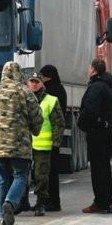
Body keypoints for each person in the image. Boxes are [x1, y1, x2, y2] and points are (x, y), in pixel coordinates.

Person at [0, 61, 43, 225]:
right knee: (20, 176)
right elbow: (37, 117)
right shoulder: (25, 92)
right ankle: (11, 203)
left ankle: (3, 218)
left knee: (2, 179)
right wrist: (35, 130)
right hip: (20, 144)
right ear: (19, 74)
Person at [77, 58, 112, 214]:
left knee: (97, 168)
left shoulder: (96, 87)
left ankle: (100, 202)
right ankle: (108, 200)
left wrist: (82, 124)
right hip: (107, 130)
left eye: (89, 67)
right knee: (105, 167)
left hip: (97, 131)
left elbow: (90, 110)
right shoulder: (109, 86)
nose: (88, 70)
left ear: (93, 70)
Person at [26, 72, 65, 216]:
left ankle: (41, 203)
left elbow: (58, 123)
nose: (34, 84)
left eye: (37, 81)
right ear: (27, 83)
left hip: (43, 146)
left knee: (41, 176)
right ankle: (23, 202)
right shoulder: (22, 99)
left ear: (42, 83)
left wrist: (56, 143)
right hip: (24, 145)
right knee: (23, 175)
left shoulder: (51, 100)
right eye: (32, 81)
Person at [39, 64, 67, 211]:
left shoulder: (50, 91)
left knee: (49, 172)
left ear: (48, 76)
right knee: (50, 172)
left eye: (42, 76)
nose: (41, 79)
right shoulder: (60, 89)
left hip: (48, 138)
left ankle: (52, 202)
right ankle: (51, 201)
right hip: (53, 137)